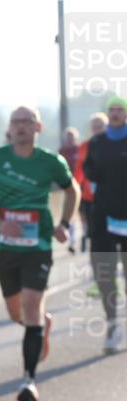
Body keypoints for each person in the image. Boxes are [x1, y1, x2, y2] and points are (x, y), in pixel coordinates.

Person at [0, 106, 79, 401]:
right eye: (15, 122)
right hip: (5, 246)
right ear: (9, 127)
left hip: (38, 244)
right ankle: (41, 325)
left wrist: (65, 224)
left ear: (37, 127)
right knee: (16, 313)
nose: (20, 127)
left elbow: (73, 191)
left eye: (26, 122)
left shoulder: (50, 162)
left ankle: (28, 380)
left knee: (32, 302)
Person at [82, 96, 127, 354]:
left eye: (120, 110)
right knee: (104, 272)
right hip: (105, 217)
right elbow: (89, 170)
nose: (115, 114)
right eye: (111, 110)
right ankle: (112, 325)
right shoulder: (97, 142)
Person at [74, 113, 108, 256]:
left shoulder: (113, 144)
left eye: (100, 124)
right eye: (94, 124)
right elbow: (79, 170)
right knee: (95, 232)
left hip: (111, 196)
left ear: (106, 126)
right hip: (89, 197)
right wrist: (75, 189)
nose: (97, 127)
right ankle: (99, 266)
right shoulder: (85, 146)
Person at [60, 127, 81, 251]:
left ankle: (83, 236)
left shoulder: (80, 149)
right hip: (67, 187)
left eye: (72, 136)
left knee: (82, 215)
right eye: (68, 136)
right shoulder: (61, 151)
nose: (69, 139)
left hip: (81, 186)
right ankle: (72, 241)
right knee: (71, 213)